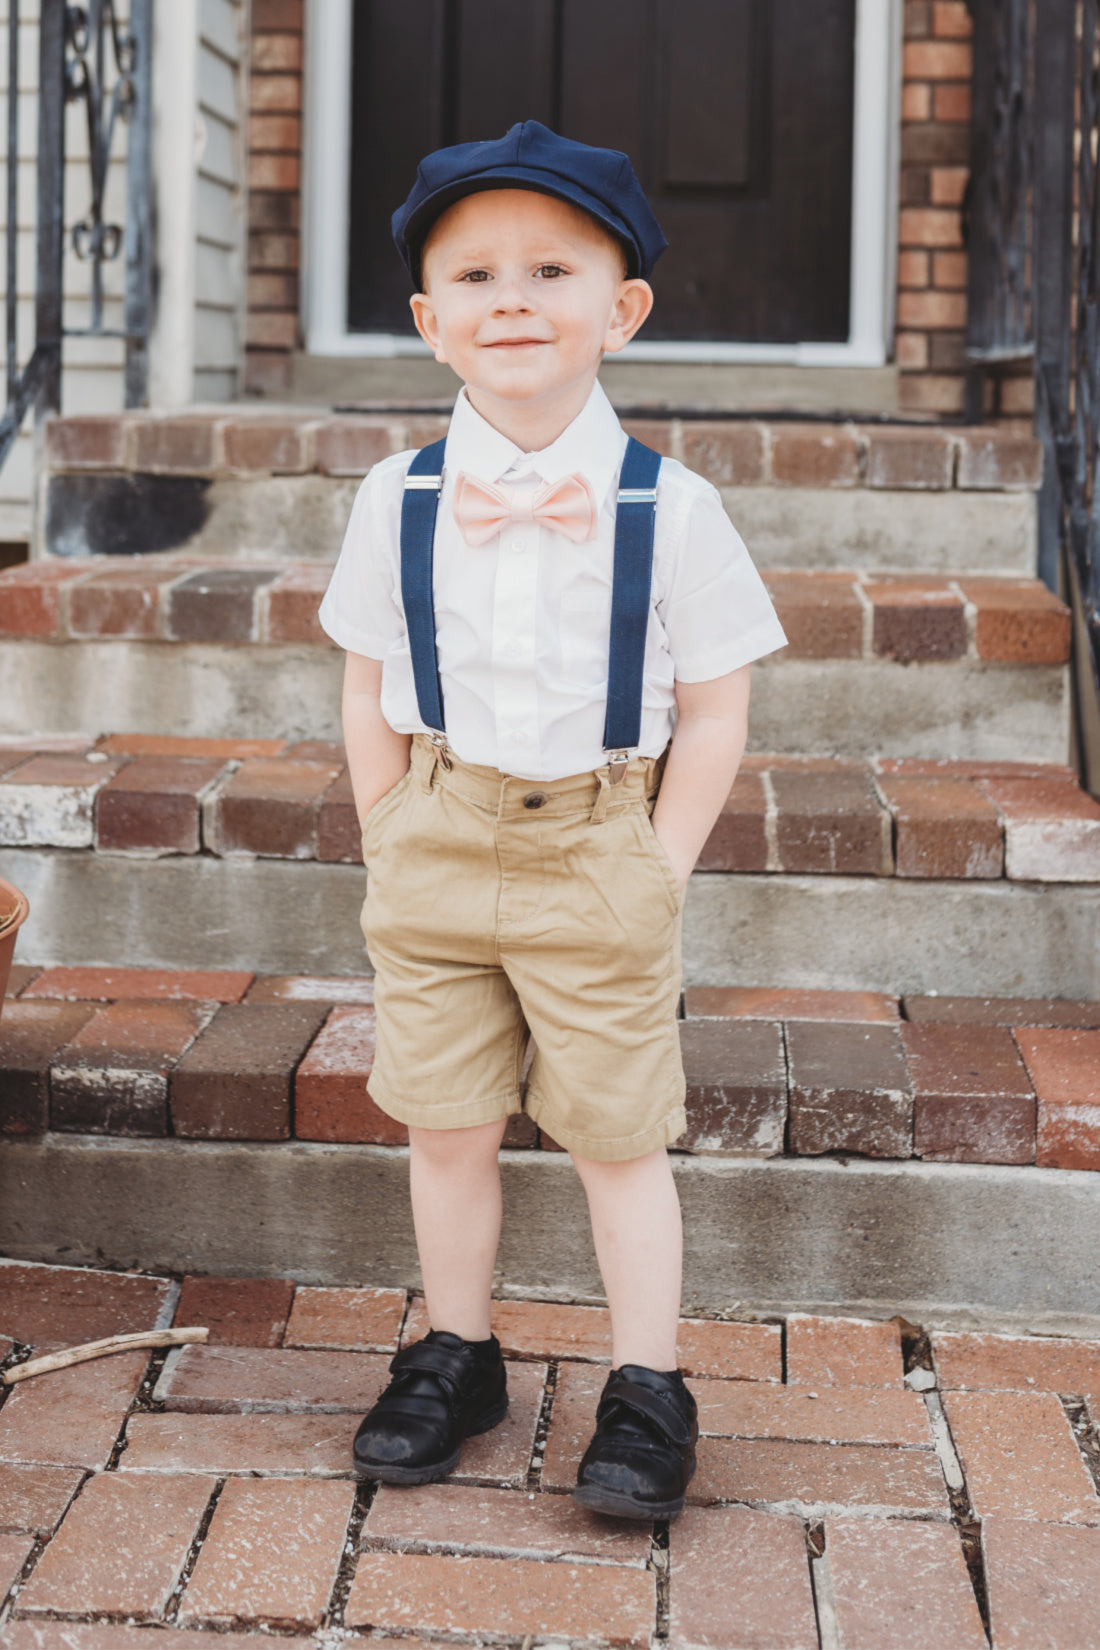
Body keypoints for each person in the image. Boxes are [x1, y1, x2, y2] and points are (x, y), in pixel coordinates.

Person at [318, 121, 786, 1520]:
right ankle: (455, 1351)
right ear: (431, 322)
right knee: (447, 1124)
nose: (511, 298)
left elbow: (716, 707)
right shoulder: (393, 496)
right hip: (439, 834)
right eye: (474, 275)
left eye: (552, 269)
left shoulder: (675, 508)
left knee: (614, 1133)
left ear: (621, 309)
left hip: (600, 844)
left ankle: (647, 1385)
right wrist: (390, 827)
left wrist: (658, 862)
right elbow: (363, 687)